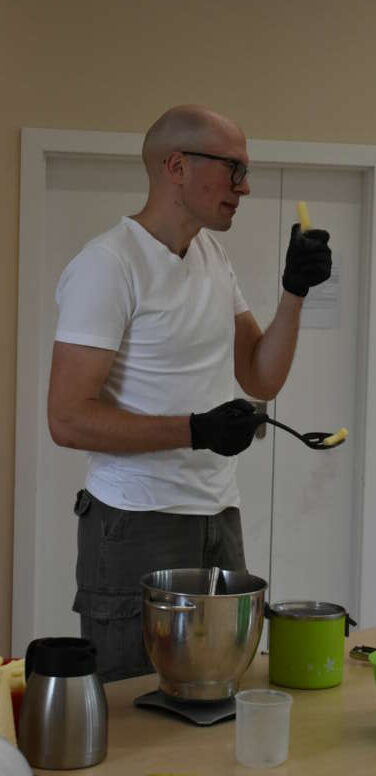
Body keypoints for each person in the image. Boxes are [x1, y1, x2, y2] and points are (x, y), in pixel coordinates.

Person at [47, 105, 331, 681]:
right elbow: (68, 419)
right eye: (233, 169)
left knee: (216, 693)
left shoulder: (211, 256)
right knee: (135, 705)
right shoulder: (109, 264)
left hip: (217, 512)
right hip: (135, 519)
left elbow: (260, 376)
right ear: (176, 166)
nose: (244, 187)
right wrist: (196, 430)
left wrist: (295, 291)